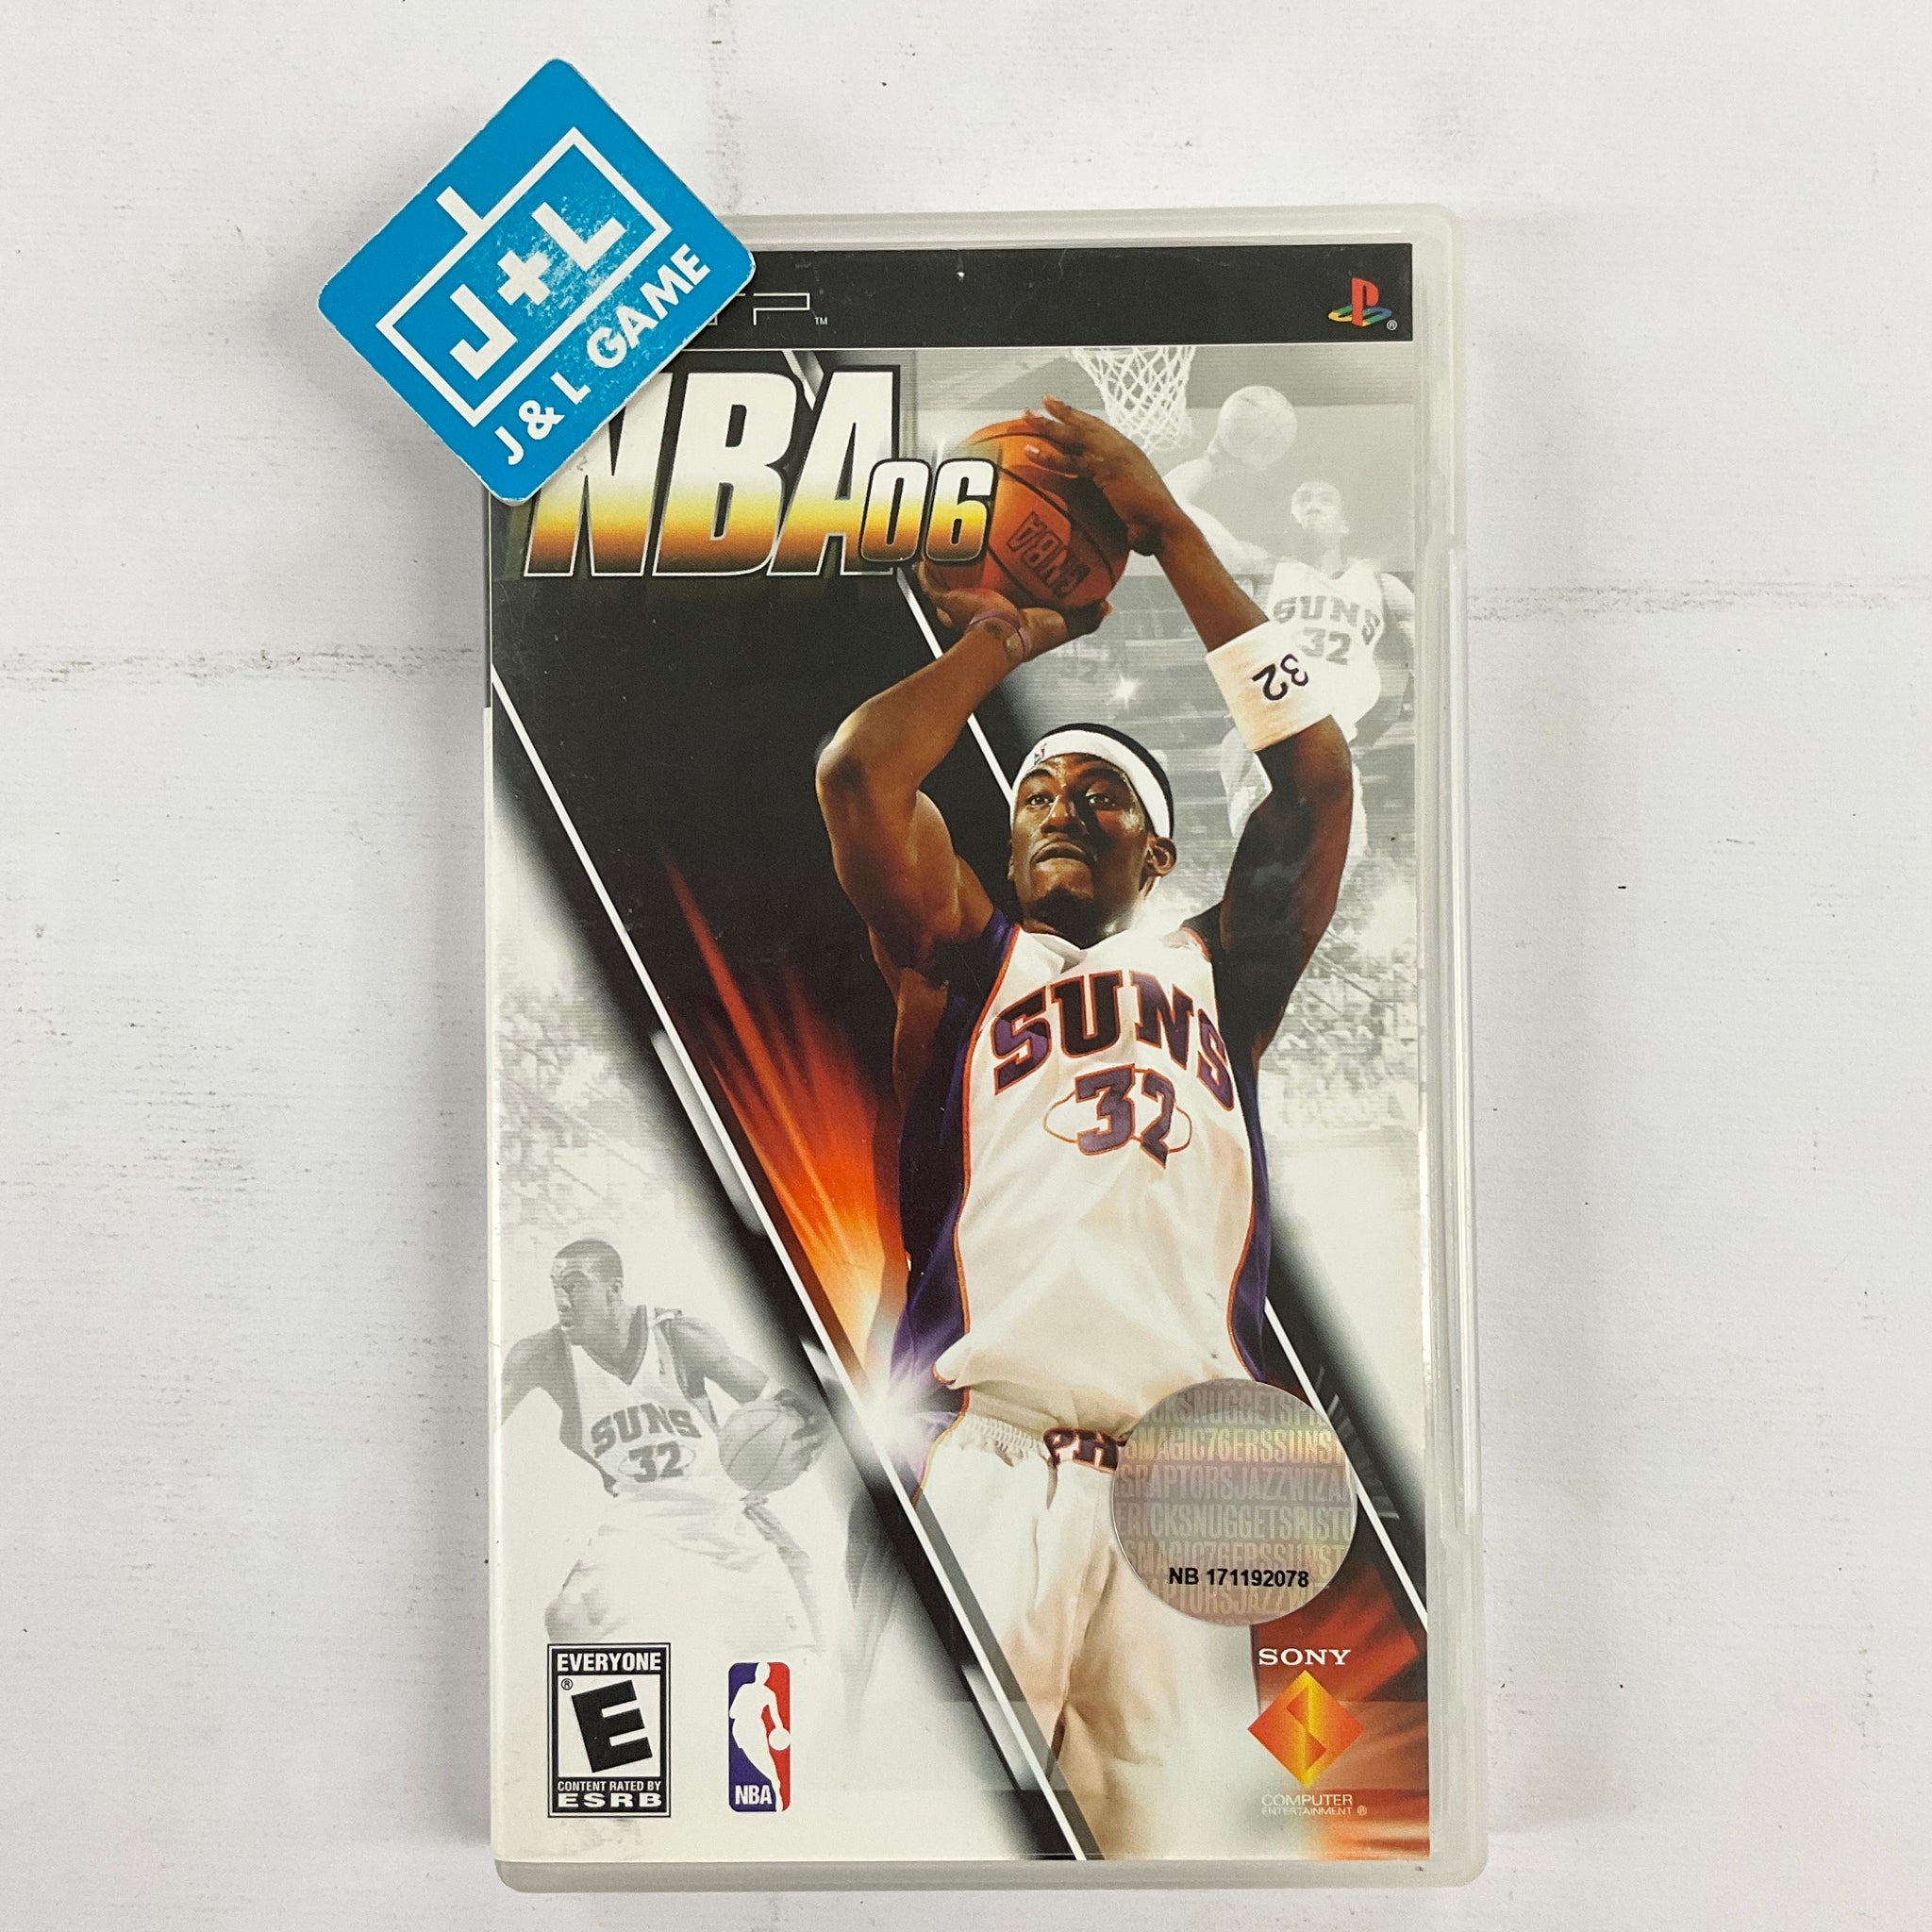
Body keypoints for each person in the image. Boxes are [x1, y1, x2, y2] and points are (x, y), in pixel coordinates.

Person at [813, 397, 1353, 1856]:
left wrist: (1172, 534)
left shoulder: (1220, 972)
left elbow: (1315, 777)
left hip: (1194, 1498)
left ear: (1157, 852)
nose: (1061, 804)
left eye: (1101, 794)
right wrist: (1001, 640)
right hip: (985, 1457)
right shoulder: (958, 961)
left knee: (1185, 1881)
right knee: (921, 1859)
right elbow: (861, 775)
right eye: (1039, 790)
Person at [499, 1236, 823, 1652]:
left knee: (796, 1632)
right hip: (640, 1520)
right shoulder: (543, 1356)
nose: (562, 1301)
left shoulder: (678, 1335)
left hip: (719, 1509)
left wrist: (808, 1433)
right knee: (567, 1618)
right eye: (556, 1287)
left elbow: (789, 1405)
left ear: (613, 1290)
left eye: (575, 1286)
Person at [1170, 470, 1412, 854]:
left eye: (1324, 499)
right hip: (1268, 736)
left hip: (1336, 744)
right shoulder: (1264, 569)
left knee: (1344, 866)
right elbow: (1175, 506)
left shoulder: (1381, 585)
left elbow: (1438, 660)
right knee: (1273, 862)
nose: (1313, 505)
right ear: (1290, 521)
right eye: (1303, 500)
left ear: (1345, 524)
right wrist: (1217, 459)